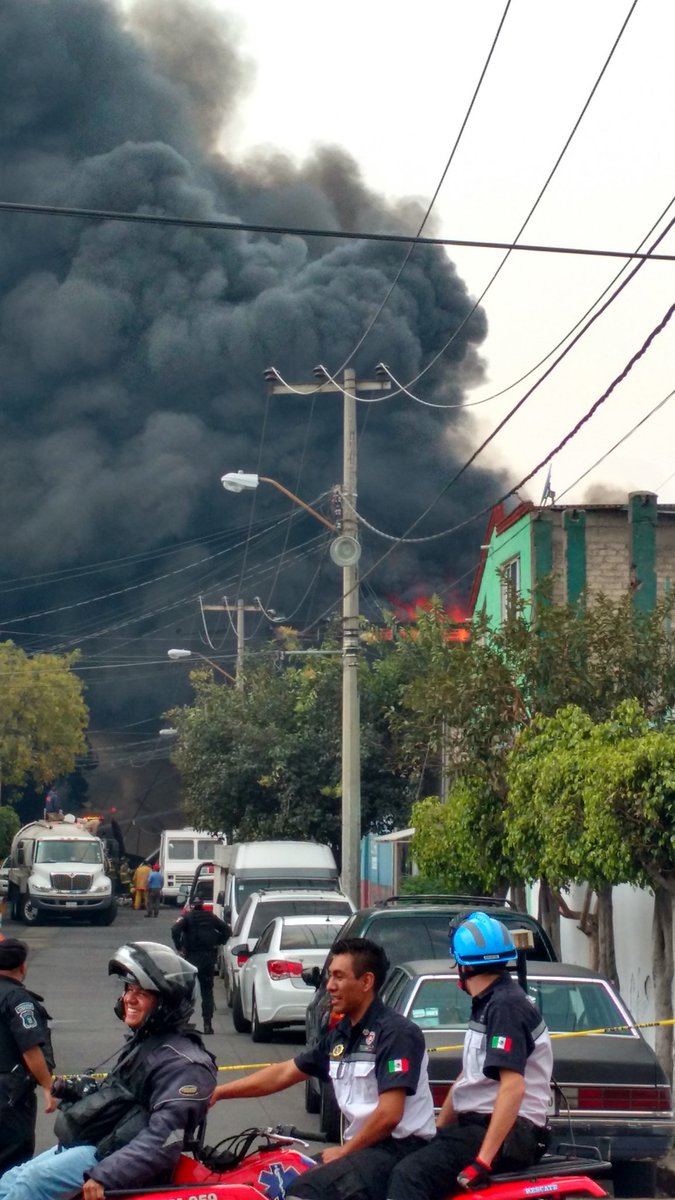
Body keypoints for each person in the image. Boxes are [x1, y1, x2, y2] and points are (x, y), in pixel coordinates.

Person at [210, 936, 436, 1200]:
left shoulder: (396, 1033)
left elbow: (389, 1114)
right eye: (330, 976)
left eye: (339, 976)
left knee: (306, 1192)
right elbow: (284, 1073)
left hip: (398, 1151)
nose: (329, 986)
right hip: (364, 1150)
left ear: (366, 982)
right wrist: (218, 1093)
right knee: (278, 1179)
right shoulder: (341, 1036)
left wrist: (345, 1151)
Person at [0, 941, 217, 1200]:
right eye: (128, 989)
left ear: (165, 1003)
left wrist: (107, 1174)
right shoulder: (147, 1044)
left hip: (113, 1157)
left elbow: (166, 1137)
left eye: (141, 993)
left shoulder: (185, 1064)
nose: (129, 999)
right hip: (98, 1144)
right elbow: (121, 1102)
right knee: (10, 1180)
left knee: (29, 1184)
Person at [387, 912, 553, 1200]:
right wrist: (437, 1131)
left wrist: (482, 1163)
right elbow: (469, 1078)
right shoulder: (490, 1002)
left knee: (409, 1176)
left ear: (464, 965)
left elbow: (513, 1087)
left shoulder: (505, 1007)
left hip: (509, 1134)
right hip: (480, 1127)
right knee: (401, 1157)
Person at [0, 939, 56, 1175]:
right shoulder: (18, 999)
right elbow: (30, 1047)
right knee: (12, 1159)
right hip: (9, 1095)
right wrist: (48, 1085)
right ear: (23, 966)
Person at [171, 898, 231, 1035]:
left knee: (187, 991)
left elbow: (175, 929)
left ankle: (184, 1022)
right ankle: (207, 1024)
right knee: (207, 991)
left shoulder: (187, 917)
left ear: (192, 906)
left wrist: (179, 946)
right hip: (208, 957)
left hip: (191, 958)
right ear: (202, 905)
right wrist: (219, 941)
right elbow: (227, 930)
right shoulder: (211, 917)